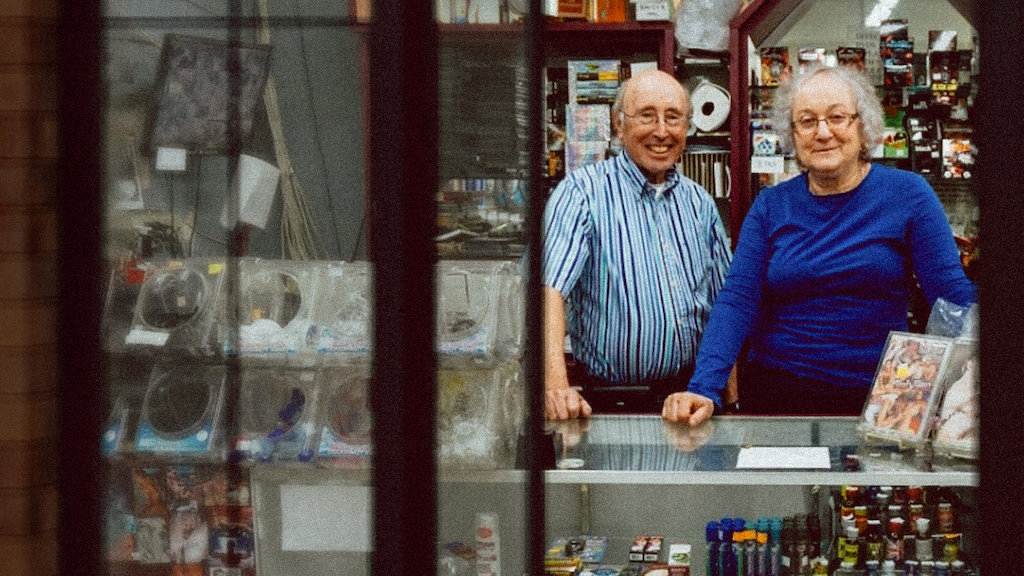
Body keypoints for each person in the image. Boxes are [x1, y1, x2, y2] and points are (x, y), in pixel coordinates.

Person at [663, 64, 977, 426]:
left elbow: (952, 297)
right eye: (808, 121)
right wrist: (704, 387)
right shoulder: (770, 205)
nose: (823, 132)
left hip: (883, 400)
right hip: (778, 396)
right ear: (792, 134)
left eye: (837, 117)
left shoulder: (909, 195)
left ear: (863, 126)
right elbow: (737, 299)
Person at [542, 69, 732, 420]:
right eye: (647, 116)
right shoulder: (582, 193)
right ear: (619, 124)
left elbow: (727, 306)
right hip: (612, 403)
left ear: (687, 128)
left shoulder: (700, 204)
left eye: (673, 118)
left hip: (690, 399)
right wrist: (555, 385)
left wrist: (731, 398)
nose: (661, 131)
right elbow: (550, 289)